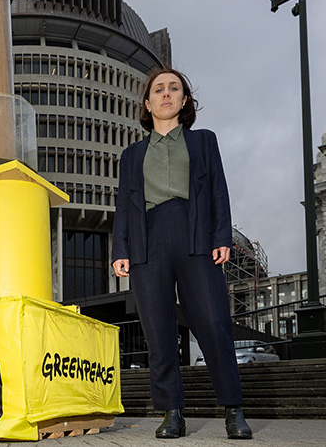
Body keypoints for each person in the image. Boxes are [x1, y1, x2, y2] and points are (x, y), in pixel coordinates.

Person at [112, 68, 252, 440]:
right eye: (158, 89)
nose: (166, 94)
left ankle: (233, 410)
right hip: (147, 240)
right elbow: (124, 206)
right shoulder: (131, 155)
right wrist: (120, 249)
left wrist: (222, 235)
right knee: (157, 330)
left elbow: (219, 190)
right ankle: (172, 412)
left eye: (174, 88)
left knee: (213, 321)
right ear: (147, 102)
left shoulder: (204, 141)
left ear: (185, 100)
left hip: (195, 236)